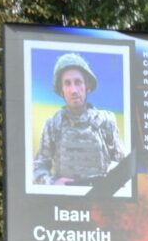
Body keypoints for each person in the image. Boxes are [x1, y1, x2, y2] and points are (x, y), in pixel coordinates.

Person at [33, 52, 125, 186]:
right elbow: (38, 168)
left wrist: (110, 182)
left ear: (87, 86)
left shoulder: (105, 122)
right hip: (64, 198)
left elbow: (123, 166)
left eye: (78, 82)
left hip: (101, 196)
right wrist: (53, 183)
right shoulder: (53, 125)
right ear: (61, 89)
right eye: (67, 83)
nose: (73, 90)